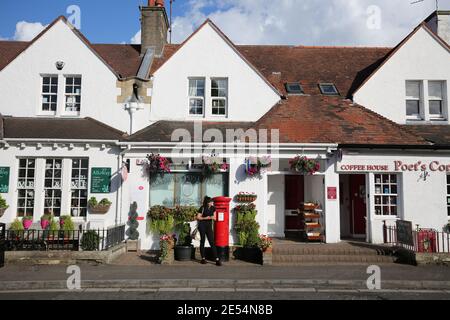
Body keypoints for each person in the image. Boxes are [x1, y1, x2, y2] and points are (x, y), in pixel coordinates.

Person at [197, 196, 222, 266]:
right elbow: (198, 217)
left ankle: (217, 259)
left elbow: (215, 218)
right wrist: (205, 218)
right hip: (202, 226)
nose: (212, 202)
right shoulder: (202, 208)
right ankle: (203, 258)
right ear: (207, 202)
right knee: (202, 241)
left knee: (212, 242)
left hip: (209, 226)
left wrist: (212, 217)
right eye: (211, 201)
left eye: (212, 201)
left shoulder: (213, 208)